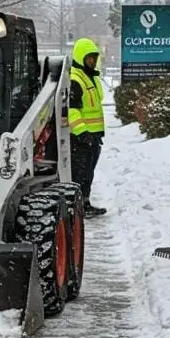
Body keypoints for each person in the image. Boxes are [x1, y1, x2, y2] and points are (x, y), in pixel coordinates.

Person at [68, 37, 107, 217]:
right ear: (80, 57)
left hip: (93, 136)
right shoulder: (76, 79)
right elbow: (72, 110)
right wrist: (82, 132)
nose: (92, 61)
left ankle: (85, 203)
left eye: (94, 57)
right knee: (80, 174)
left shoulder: (89, 77)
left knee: (88, 173)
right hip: (81, 138)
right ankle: (77, 207)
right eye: (88, 58)